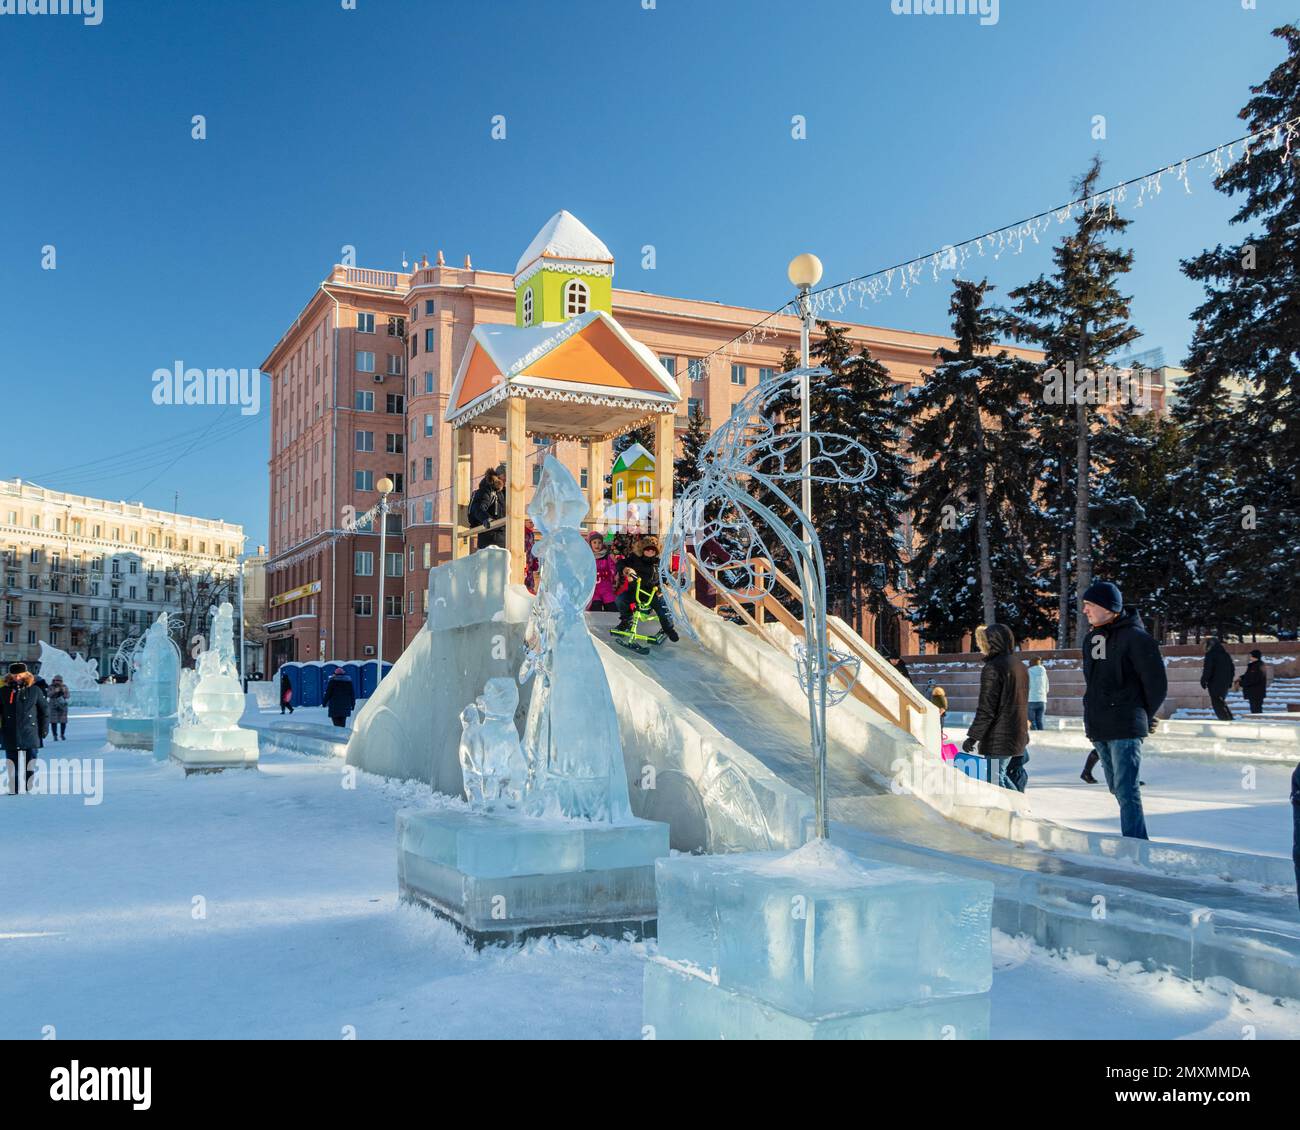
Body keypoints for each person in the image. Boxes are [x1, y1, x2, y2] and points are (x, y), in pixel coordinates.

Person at [1080, 581, 1167, 840]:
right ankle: (1133, 842)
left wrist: (1141, 714)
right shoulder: (1093, 638)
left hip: (1125, 723)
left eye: (1090, 605)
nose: (1085, 611)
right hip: (1100, 724)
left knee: (1127, 789)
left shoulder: (1137, 639)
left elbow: (1156, 685)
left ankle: (1137, 844)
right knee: (1116, 787)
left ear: (1109, 608)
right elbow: (1094, 683)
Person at [961, 623, 1029, 792]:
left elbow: (987, 708)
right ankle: (1019, 809)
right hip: (1018, 732)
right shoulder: (1019, 665)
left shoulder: (993, 667)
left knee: (995, 780)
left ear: (992, 642)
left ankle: (1019, 811)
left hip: (1000, 736)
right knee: (1003, 776)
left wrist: (973, 737)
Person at [615, 536, 679, 642]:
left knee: (663, 609)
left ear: (656, 551)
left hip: (652, 593)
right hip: (636, 591)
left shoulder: (659, 564)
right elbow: (620, 563)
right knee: (620, 599)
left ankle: (668, 629)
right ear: (642, 550)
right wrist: (626, 569)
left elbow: (664, 578)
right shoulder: (634, 559)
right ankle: (626, 621)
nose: (650, 552)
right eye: (647, 549)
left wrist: (663, 585)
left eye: (653, 550)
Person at [1, 662, 47, 796]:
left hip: (30, 731)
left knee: (30, 763)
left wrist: (44, 730)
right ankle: (13, 787)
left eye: (19, 675)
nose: (17, 678)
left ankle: (29, 785)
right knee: (11, 763)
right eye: (14, 675)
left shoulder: (35, 690)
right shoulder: (4, 691)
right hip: (10, 731)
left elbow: (44, 711)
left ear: (26, 675)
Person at [468, 466, 506, 550]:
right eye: (506, 476)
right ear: (500, 476)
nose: (507, 479)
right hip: (490, 538)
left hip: (503, 537)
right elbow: (478, 508)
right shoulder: (488, 489)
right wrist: (486, 519)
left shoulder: (505, 492)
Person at [1200, 637, 1235, 721]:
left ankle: (1225, 720)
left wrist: (1203, 680)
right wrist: (1229, 681)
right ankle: (1229, 719)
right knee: (1221, 702)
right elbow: (1232, 669)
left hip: (1215, 683)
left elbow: (1208, 669)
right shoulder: (1225, 654)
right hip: (1225, 683)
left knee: (1217, 703)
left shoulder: (1210, 654)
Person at [588, 532, 620, 611]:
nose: (597, 545)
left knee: (612, 608)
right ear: (590, 544)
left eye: (599, 543)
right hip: (594, 589)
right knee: (596, 608)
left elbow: (612, 568)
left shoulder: (607, 556)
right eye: (594, 542)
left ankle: (612, 623)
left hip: (606, 588)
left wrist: (614, 571)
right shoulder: (588, 557)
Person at [1239, 649, 1268, 715]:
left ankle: (1258, 722)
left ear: (1255, 656)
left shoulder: (1258, 665)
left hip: (1256, 692)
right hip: (1253, 692)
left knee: (1256, 710)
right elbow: (1249, 675)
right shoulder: (1253, 665)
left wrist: (1242, 683)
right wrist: (1242, 677)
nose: (1250, 657)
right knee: (1254, 709)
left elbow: (1254, 679)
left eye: (1251, 656)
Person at [1026, 656, 1049, 731]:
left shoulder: (1028, 672)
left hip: (1031, 700)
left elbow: (1027, 686)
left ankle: (1035, 739)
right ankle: (1041, 738)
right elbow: (1047, 687)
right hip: (1042, 700)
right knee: (1040, 722)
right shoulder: (1044, 672)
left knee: (1032, 722)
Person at [46, 675, 70, 741]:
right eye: (56, 680)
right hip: (53, 705)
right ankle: (55, 735)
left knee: (63, 721)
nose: (57, 682)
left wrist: (64, 691)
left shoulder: (64, 686)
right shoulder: (50, 686)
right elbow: (48, 694)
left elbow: (67, 696)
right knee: (53, 721)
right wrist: (55, 691)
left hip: (62, 705)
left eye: (59, 681)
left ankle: (62, 734)